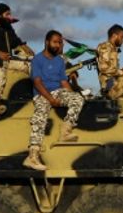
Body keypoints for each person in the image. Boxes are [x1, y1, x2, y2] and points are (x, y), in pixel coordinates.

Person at [23, 30, 85, 171]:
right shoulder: (37, 60)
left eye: (60, 43)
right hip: (42, 93)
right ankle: (32, 156)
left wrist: (72, 96)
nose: (58, 45)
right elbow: (37, 82)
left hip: (58, 92)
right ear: (47, 42)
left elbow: (63, 82)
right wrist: (50, 99)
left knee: (77, 99)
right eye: (55, 42)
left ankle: (66, 131)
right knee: (40, 117)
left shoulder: (59, 61)